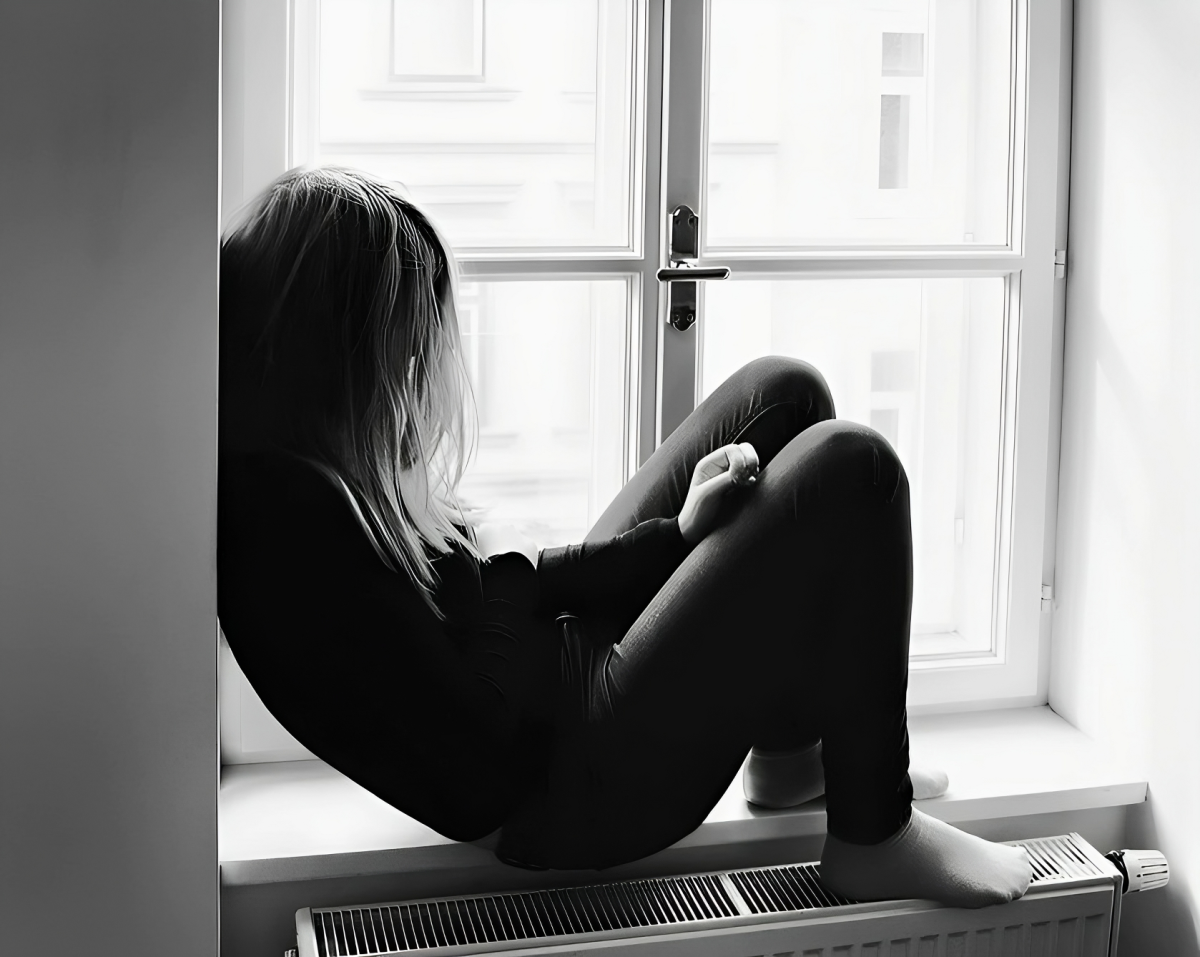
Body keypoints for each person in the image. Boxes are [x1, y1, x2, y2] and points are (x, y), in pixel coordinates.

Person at [217, 167, 1031, 907]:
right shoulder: (291, 533)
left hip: (565, 682)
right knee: (856, 468)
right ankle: (874, 833)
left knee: (782, 393)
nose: (422, 373)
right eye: (408, 348)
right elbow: (482, 768)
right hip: (579, 782)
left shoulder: (311, 475)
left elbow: (504, 599)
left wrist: (672, 541)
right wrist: (586, 569)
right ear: (336, 355)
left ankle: (792, 758)